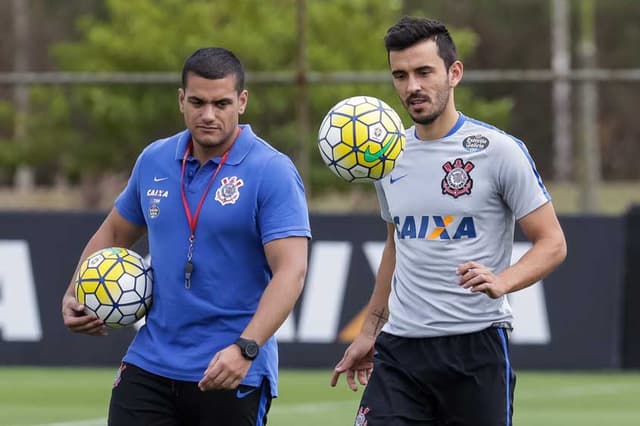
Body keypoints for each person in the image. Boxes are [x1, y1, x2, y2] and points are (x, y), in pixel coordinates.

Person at [331, 16, 567, 426]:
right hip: (400, 350)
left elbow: (552, 243)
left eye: (424, 72)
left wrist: (503, 281)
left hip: (474, 351)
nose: (412, 87)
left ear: (454, 73)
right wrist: (369, 330)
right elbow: (396, 244)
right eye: (400, 75)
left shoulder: (498, 151)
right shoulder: (387, 155)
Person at [61, 47, 311, 426]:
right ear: (181, 100)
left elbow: (291, 271)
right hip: (150, 363)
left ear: (242, 102)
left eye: (221, 103)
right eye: (197, 101)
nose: (208, 114)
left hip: (230, 370)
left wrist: (245, 349)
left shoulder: (272, 171)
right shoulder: (154, 159)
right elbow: (114, 231)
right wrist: (74, 290)